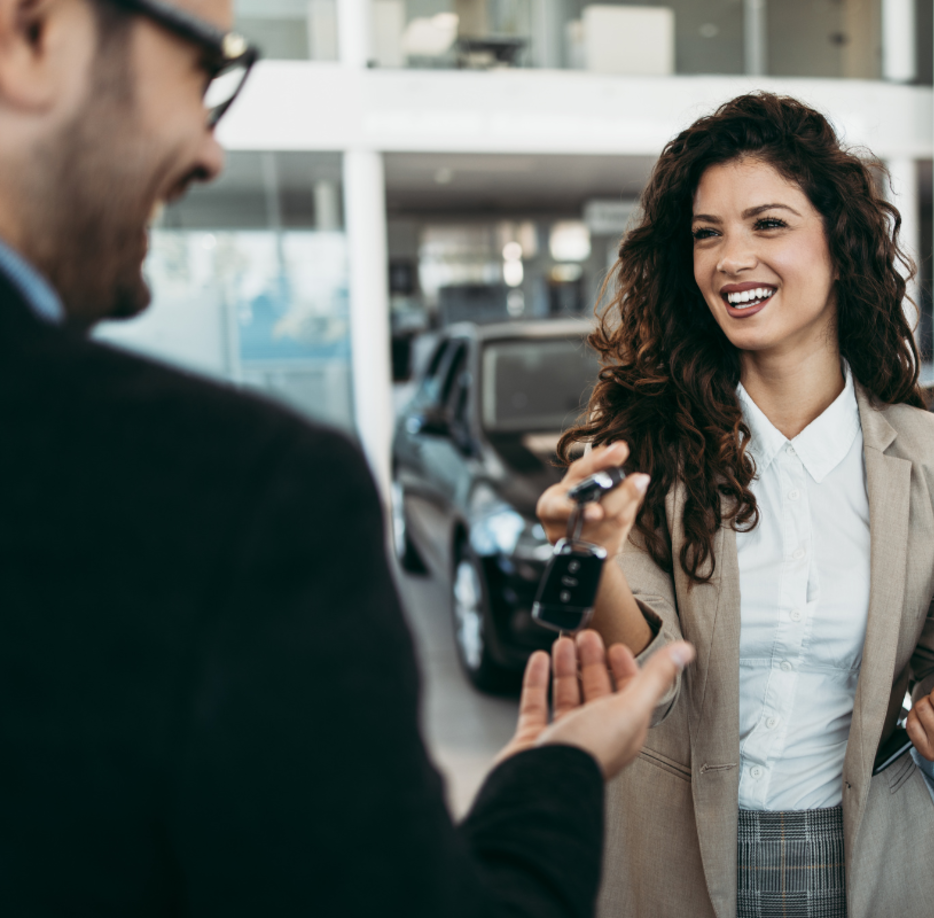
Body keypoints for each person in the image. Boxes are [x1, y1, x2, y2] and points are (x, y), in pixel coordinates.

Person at [0, 0, 692, 914]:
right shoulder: (244, 492)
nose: (212, 152)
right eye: (208, 71)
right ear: (32, 32)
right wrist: (556, 773)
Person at [534, 93, 934, 918]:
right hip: (670, 855)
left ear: (838, 243)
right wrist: (591, 556)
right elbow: (645, 683)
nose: (730, 259)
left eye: (768, 224)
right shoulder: (642, 449)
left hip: (871, 858)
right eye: (707, 233)